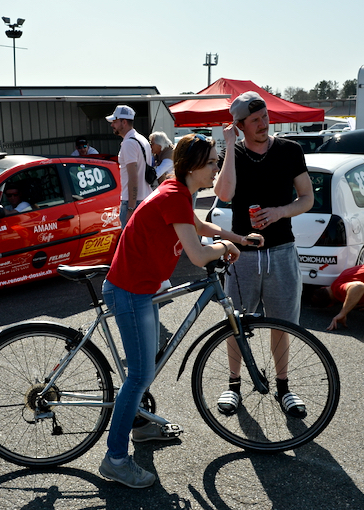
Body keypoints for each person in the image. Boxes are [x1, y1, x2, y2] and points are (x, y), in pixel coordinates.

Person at [98, 134, 263, 488]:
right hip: (130, 291)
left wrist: (237, 239)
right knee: (140, 375)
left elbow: (199, 227)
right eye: (210, 163)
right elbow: (199, 254)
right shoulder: (174, 194)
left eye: (216, 162)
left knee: (147, 366)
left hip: (139, 288)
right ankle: (114, 459)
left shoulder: (179, 191)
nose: (216, 168)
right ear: (191, 167)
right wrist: (222, 247)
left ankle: (140, 427)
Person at [213, 91, 314, 418]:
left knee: (282, 324)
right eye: (255, 120)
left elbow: (308, 198)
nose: (263, 124)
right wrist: (229, 148)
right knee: (235, 324)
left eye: (265, 117)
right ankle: (234, 385)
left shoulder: (289, 150)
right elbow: (224, 193)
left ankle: (283, 387)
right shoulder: (236, 154)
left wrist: (281, 212)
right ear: (239, 125)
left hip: (282, 250)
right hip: (243, 254)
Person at [107, 105, 152, 228]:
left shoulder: (129, 143)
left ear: (124, 122)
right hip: (145, 198)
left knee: (131, 245)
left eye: (115, 122)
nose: (112, 125)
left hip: (133, 202)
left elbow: (133, 177)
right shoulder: (142, 139)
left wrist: (131, 209)